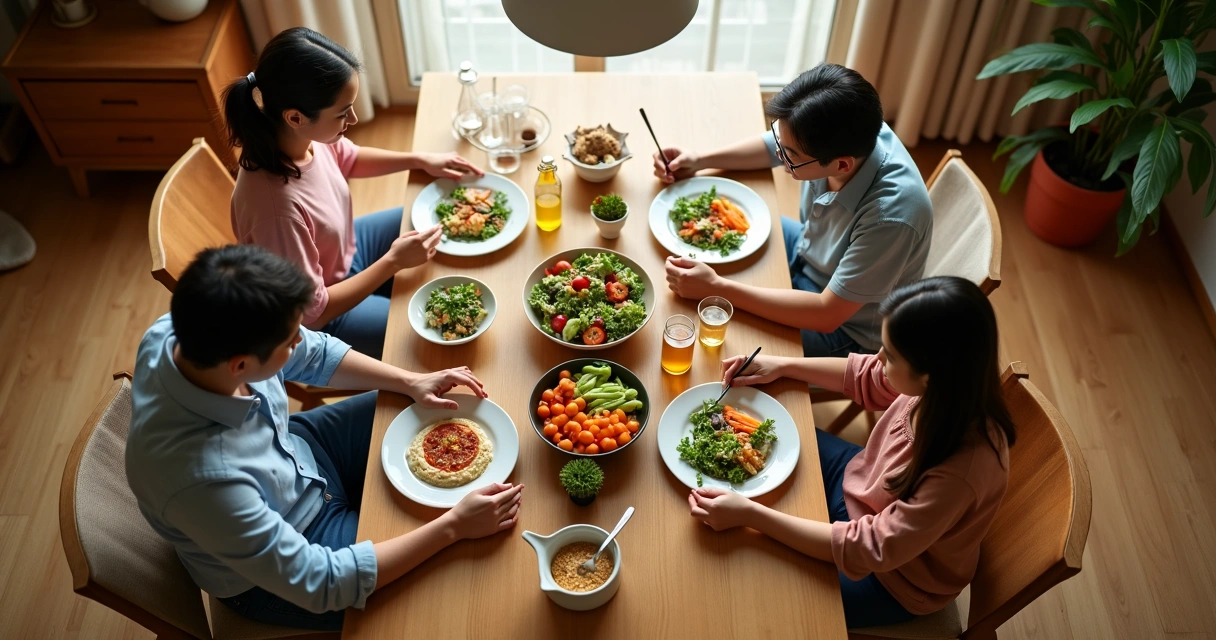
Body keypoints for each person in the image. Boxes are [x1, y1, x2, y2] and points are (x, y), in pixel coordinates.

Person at [125, 245, 523, 631]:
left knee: (442, 410)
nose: (300, 339)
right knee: (462, 584)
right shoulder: (203, 481)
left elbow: (313, 353)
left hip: (302, 450)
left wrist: (411, 380)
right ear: (241, 365)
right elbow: (325, 583)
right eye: (289, 340)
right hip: (292, 557)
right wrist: (453, 526)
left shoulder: (180, 332)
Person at [687, 277, 1016, 629]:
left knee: (754, 584)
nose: (878, 357)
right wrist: (782, 365)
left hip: (891, 578)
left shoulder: (961, 471)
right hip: (860, 482)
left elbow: (869, 547)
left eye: (889, 355)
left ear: (931, 377)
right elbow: (871, 375)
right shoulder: (954, 384)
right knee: (770, 439)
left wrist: (752, 516)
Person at [223, 27, 483, 359]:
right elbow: (314, 311)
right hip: (324, 315)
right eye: (343, 112)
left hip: (345, 252)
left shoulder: (301, 137)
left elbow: (350, 157)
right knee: (435, 333)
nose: (354, 119)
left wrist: (419, 159)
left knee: (440, 211)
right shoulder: (276, 211)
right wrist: (392, 262)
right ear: (295, 117)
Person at [655, 63, 932, 357]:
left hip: (845, 329)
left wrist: (717, 288)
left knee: (717, 333)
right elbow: (778, 143)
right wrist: (700, 160)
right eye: (779, 141)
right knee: (714, 249)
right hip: (808, 248)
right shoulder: (845, 126)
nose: (778, 155)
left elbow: (827, 314)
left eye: (789, 157)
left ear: (841, 165)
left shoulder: (890, 217)